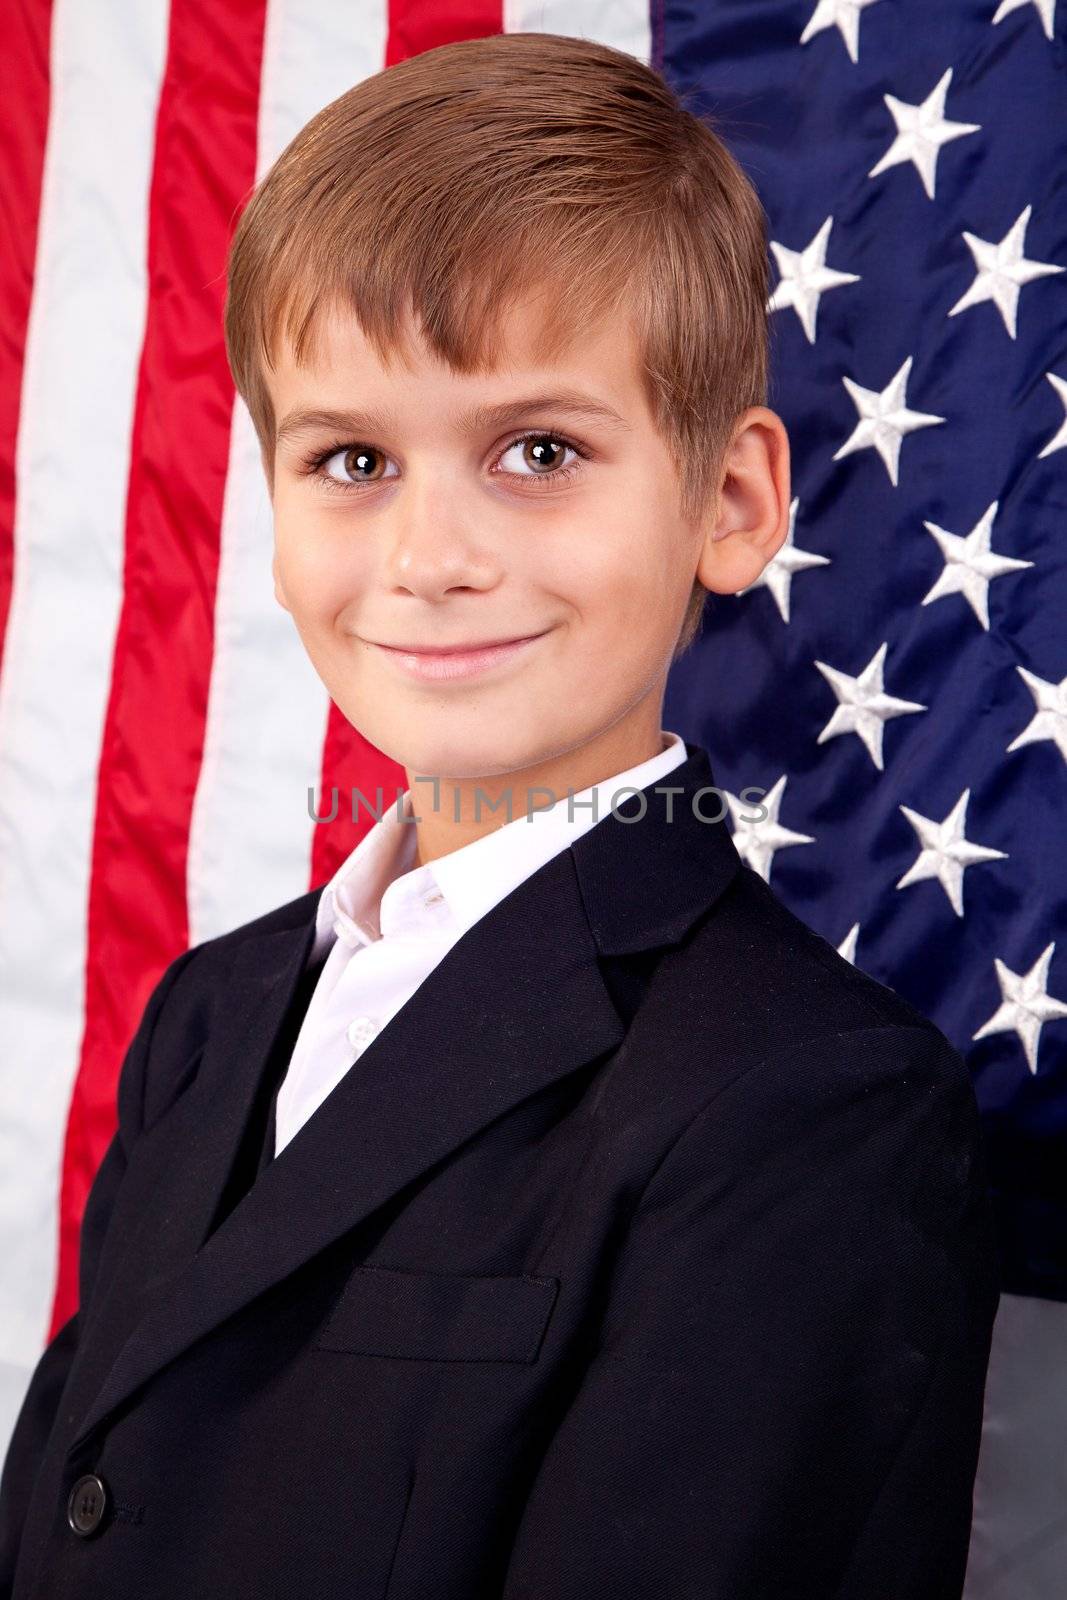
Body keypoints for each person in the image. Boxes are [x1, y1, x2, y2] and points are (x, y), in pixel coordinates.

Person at [0, 31, 1000, 1600]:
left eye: (539, 451)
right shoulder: (214, 1010)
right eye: (351, 459)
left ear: (729, 504)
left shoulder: (808, 1105)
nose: (430, 555)